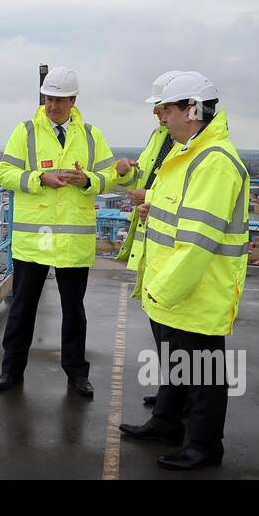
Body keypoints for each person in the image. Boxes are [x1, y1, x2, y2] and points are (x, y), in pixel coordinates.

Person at [117, 71, 250, 470]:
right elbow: (177, 203)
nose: (161, 116)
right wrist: (153, 204)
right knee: (174, 361)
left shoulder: (215, 163)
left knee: (203, 370)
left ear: (191, 110)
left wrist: (164, 289)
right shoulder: (188, 153)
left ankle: (206, 446)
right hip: (171, 286)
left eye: (167, 109)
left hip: (195, 288)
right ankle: (166, 423)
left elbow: (198, 241)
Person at [0, 65, 118, 398]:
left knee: (73, 311)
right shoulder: (25, 132)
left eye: (60, 100)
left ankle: (77, 373)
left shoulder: (92, 135)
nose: (53, 106)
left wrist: (89, 180)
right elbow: (4, 173)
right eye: (49, 99)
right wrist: (38, 179)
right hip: (34, 240)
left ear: (74, 100)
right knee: (22, 309)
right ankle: (11, 371)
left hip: (72, 240)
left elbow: (110, 176)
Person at [111, 71, 184, 409]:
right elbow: (144, 180)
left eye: (161, 108)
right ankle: (171, 396)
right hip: (152, 239)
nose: (157, 114)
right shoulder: (159, 137)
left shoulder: (189, 146)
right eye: (156, 109)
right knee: (161, 327)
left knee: (178, 330)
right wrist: (127, 173)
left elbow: (180, 194)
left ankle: (177, 403)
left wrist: (149, 195)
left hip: (173, 242)